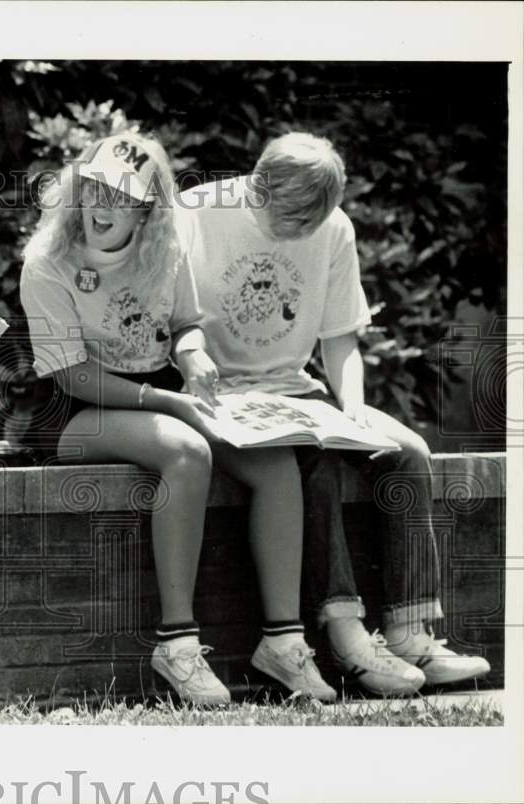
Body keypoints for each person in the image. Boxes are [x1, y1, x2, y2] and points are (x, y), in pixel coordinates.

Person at [19, 132, 337, 705]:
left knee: (273, 460)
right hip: (73, 409)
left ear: (147, 206)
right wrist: (169, 400)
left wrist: (192, 354)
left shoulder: (165, 249)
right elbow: (70, 375)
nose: (101, 205)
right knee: (187, 452)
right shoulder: (47, 263)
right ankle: (178, 644)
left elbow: (187, 321)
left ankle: (283, 642)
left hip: (157, 389)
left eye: (121, 195)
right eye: (92, 188)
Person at [176, 131, 490, 695]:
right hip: (219, 395)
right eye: (289, 219)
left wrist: (353, 410)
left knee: (407, 453)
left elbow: (340, 339)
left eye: (311, 223)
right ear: (257, 183)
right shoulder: (196, 214)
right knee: (312, 464)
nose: (300, 233)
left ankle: (408, 631)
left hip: (296, 389)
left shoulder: (334, 226)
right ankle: (347, 637)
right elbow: (170, 318)